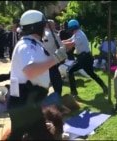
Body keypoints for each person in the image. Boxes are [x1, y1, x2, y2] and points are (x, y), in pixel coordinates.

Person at [7, 10, 67, 140]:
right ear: (37, 27)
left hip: (28, 101)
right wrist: (56, 58)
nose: (45, 28)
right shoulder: (26, 45)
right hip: (24, 102)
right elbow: (30, 70)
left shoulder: (33, 44)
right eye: (43, 25)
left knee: (26, 136)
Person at [62, 19, 108, 97]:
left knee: (70, 71)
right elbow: (69, 40)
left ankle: (74, 92)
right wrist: (61, 42)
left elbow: (72, 44)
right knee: (91, 74)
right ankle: (105, 88)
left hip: (84, 58)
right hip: (84, 57)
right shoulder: (76, 34)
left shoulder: (79, 35)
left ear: (72, 27)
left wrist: (61, 44)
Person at [43, 19, 64, 96]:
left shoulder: (40, 35)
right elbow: (61, 47)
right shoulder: (53, 34)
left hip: (42, 63)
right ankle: (57, 97)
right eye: (53, 24)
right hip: (52, 62)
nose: (55, 26)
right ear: (49, 25)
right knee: (57, 83)